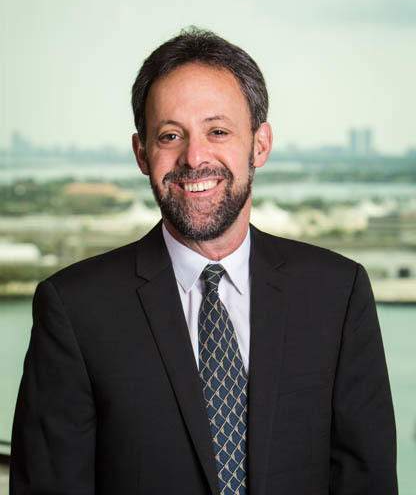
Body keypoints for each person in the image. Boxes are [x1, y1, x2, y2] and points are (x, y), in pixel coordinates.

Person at [10, 27, 397, 494]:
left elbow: (368, 481)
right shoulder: (74, 309)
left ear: (260, 144)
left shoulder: (337, 293)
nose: (194, 157)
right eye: (170, 135)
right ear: (142, 153)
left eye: (218, 131)